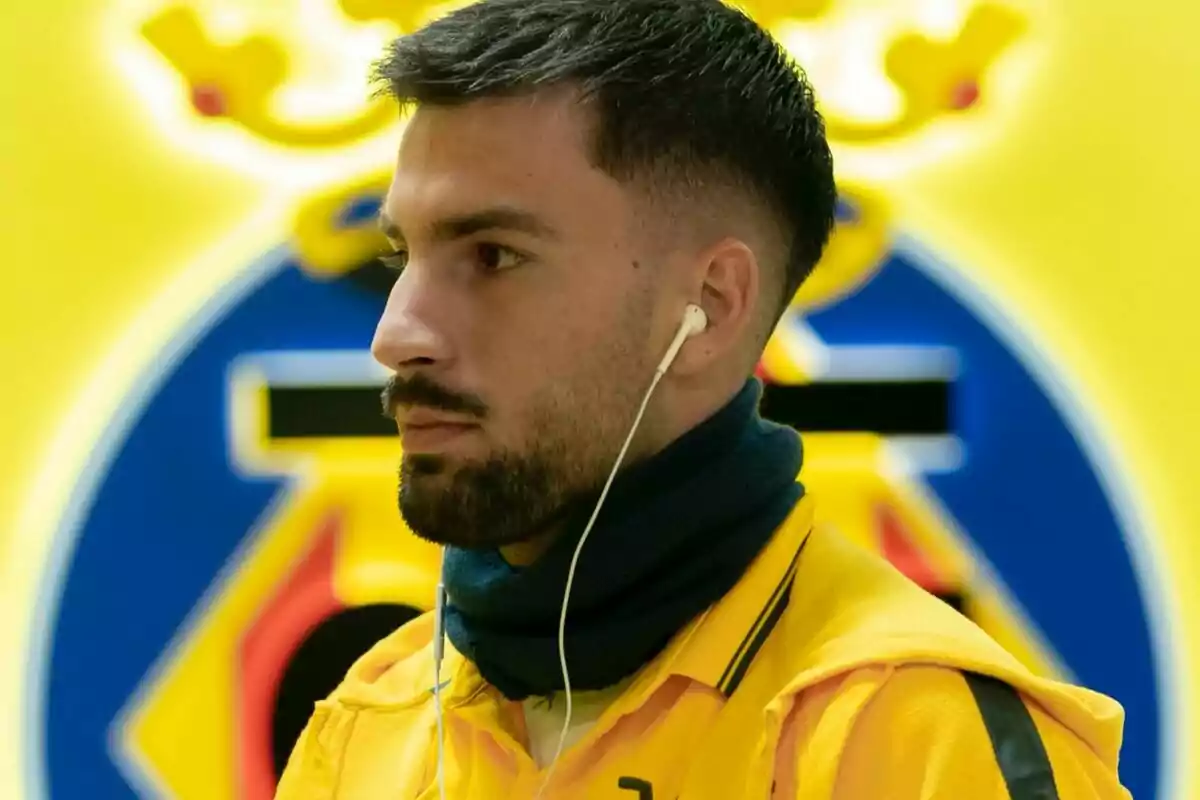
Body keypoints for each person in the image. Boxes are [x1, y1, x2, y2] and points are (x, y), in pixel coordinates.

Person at [277, 0, 1133, 797]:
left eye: (493, 256)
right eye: (402, 257)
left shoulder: (921, 742)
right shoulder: (365, 727)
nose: (395, 336)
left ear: (710, 309)